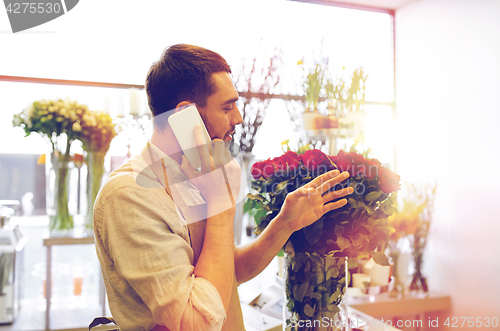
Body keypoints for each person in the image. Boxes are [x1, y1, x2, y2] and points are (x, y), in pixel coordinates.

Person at [93, 44, 353, 331]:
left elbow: (227, 271)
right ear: (185, 116)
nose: (238, 118)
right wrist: (220, 203)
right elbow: (196, 322)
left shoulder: (195, 175)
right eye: (227, 107)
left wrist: (285, 223)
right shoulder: (130, 194)